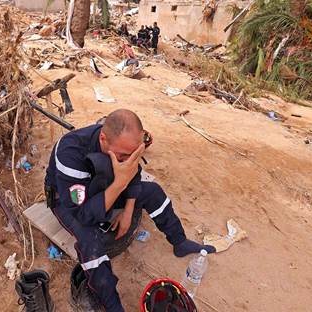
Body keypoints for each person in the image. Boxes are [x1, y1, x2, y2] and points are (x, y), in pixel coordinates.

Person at [44, 109, 216, 312]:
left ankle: (179, 241)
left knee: (152, 191)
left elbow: (133, 172)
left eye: (133, 154)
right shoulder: (70, 154)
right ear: (103, 138)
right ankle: (113, 306)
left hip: (105, 185)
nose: (128, 159)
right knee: (91, 242)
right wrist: (119, 183)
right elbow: (82, 213)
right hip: (69, 202)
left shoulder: (124, 147)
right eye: (123, 155)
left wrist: (127, 210)